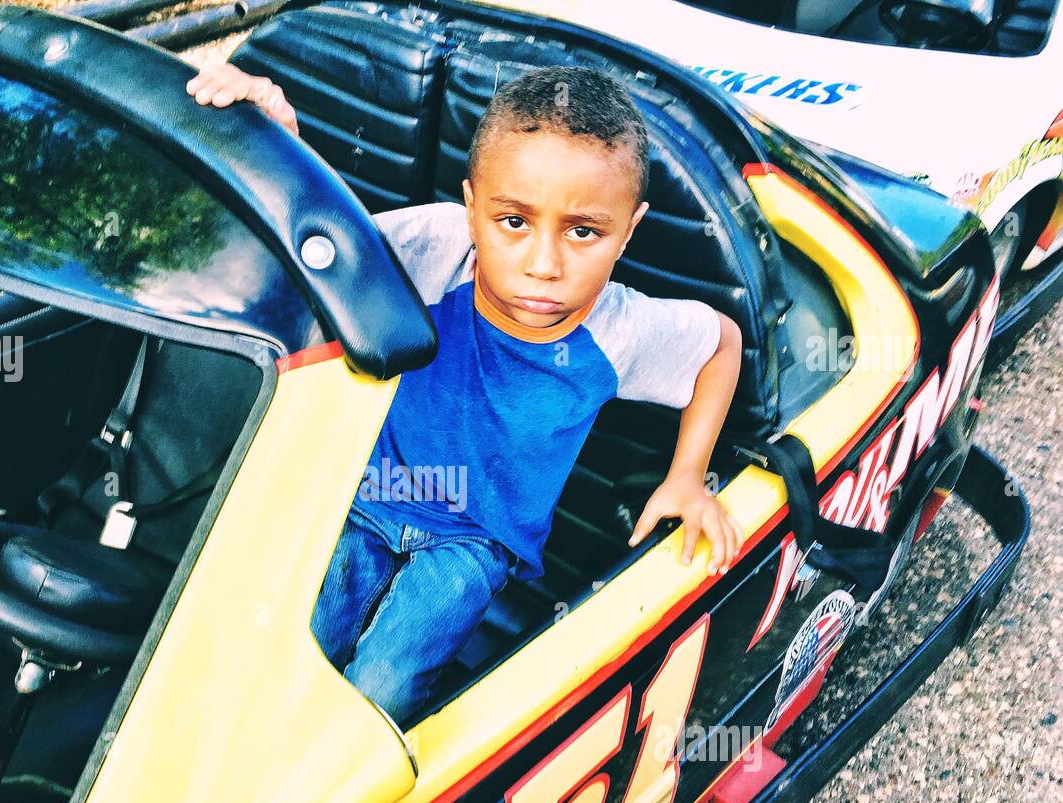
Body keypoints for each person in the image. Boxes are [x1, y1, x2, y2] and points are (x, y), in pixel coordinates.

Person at [188, 61, 745, 727]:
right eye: (514, 221)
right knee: (285, 644)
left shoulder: (620, 332)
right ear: (473, 207)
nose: (544, 262)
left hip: (475, 541)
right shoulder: (438, 245)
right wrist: (279, 139)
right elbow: (330, 253)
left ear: (629, 229)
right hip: (366, 498)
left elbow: (722, 344)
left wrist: (688, 476)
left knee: (382, 685)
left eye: (584, 231)